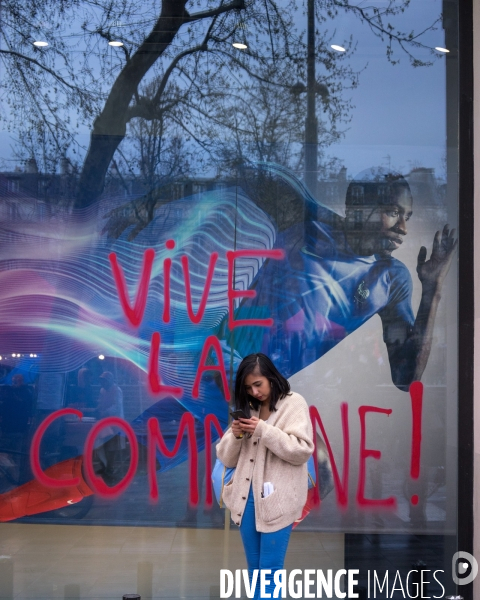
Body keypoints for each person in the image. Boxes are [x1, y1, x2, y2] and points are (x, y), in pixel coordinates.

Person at [216, 353, 314, 600]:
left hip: (278, 501)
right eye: (248, 387)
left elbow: (301, 450)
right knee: (255, 573)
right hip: (245, 500)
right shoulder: (250, 408)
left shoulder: (294, 404)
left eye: (258, 384)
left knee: (269, 573)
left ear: (271, 377)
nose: (254, 392)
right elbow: (226, 458)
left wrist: (263, 430)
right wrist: (236, 435)